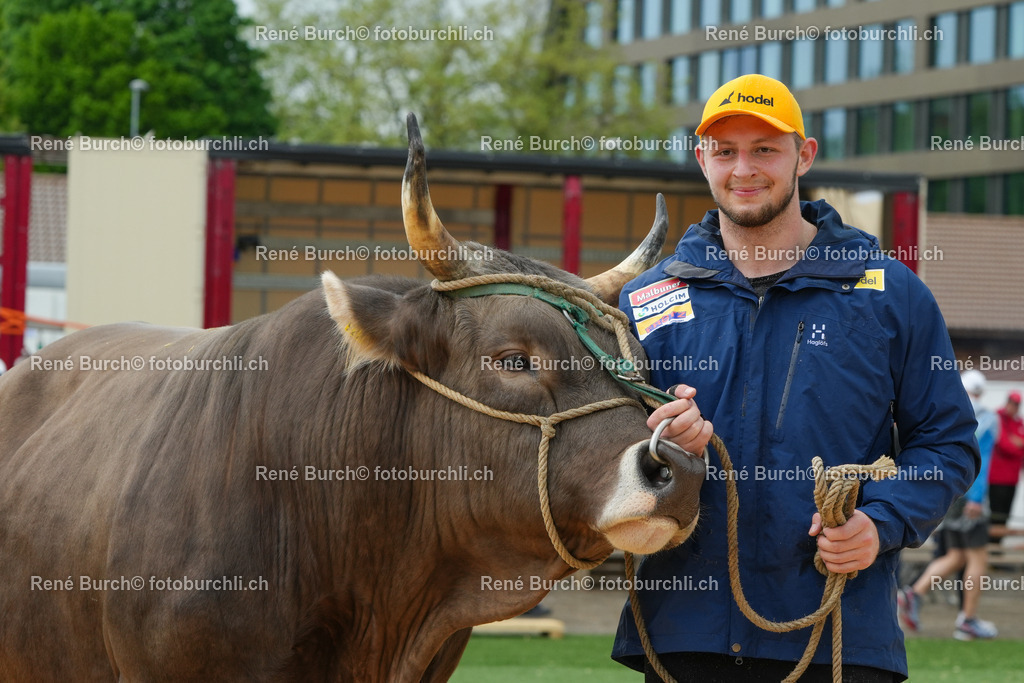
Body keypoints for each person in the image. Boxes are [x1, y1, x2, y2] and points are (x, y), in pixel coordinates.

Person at [611, 73, 979, 682]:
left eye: (764, 149)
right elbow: (603, 456)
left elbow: (947, 443)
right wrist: (664, 450)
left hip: (839, 636)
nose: (743, 169)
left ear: (804, 156)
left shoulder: (891, 294)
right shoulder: (645, 299)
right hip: (683, 635)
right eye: (725, 151)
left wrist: (880, 523)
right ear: (702, 158)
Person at [897, 370, 998, 640]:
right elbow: (983, 459)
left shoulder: (949, 413)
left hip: (951, 494)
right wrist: (977, 498)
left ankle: (913, 592)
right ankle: (968, 619)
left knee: (956, 556)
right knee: (978, 559)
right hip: (972, 496)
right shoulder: (988, 418)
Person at [988, 390, 1024, 542]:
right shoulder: (997, 418)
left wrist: (1017, 443)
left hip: (1012, 478)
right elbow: (1004, 445)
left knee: (1005, 516)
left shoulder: (1018, 422)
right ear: (1007, 402)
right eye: (1012, 403)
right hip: (997, 478)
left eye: (1017, 404)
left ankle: (996, 553)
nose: (1014, 407)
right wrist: (1018, 445)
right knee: (996, 515)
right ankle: (990, 552)